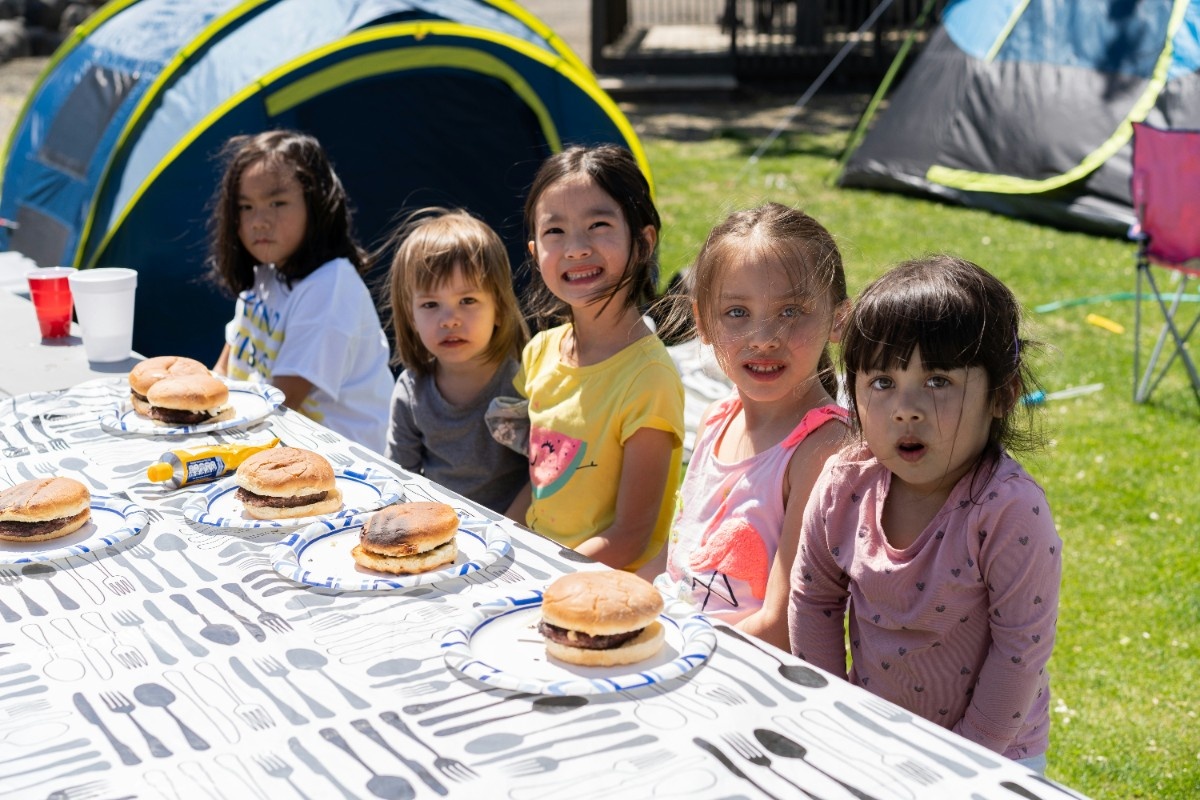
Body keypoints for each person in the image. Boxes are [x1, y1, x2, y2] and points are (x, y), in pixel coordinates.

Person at [788, 255, 1061, 772]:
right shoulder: (844, 486)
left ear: (1001, 395)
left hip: (992, 758)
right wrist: (829, 715)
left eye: (938, 381)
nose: (905, 409)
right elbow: (814, 602)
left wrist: (957, 763)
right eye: (882, 382)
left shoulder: (1008, 511)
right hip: (869, 737)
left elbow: (1018, 655)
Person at [654, 203, 850, 651]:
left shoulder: (824, 450)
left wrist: (667, 654)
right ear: (702, 321)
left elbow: (780, 628)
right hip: (677, 649)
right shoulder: (715, 420)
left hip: (741, 680)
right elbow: (680, 572)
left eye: (791, 311)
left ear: (837, 319)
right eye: (737, 312)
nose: (763, 337)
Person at [508, 144, 684, 573]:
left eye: (598, 224)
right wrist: (504, 539)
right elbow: (542, 479)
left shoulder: (649, 379)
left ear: (643, 242)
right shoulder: (540, 352)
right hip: (537, 571)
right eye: (555, 232)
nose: (576, 248)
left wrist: (539, 573)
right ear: (534, 251)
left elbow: (630, 537)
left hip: (603, 592)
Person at [209, 130, 392, 452]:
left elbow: (282, 401)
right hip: (265, 441)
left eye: (277, 203)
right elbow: (225, 368)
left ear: (317, 204)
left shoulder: (330, 285)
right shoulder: (266, 271)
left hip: (341, 466)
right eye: (246, 207)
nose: (259, 221)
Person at [384, 207, 530, 513]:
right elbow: (399, 480)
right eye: (430, 304)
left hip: (517, 535)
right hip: (437, 529)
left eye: (468, 301)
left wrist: (508, 529)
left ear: (500, 308)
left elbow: (542, 477)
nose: (449, 319)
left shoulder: (524, 384)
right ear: (411, 317)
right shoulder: (411, 392)